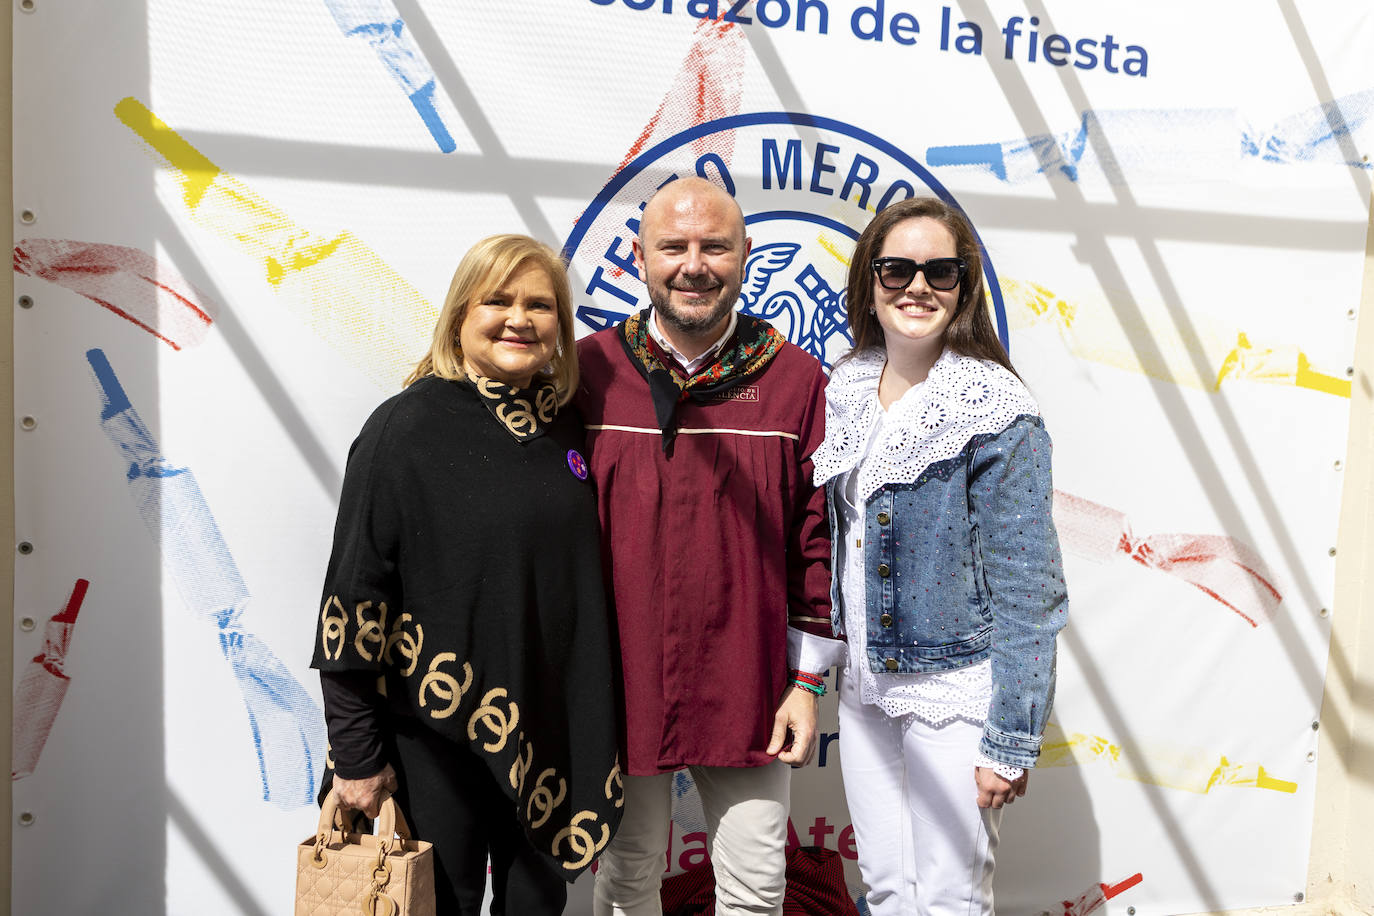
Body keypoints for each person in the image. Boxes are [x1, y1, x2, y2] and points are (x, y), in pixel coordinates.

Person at [311, 234, 623, 915]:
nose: (520, 318)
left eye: (540, 305)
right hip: (429, 739)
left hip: (549, 739)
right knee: (435, 905)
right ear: (460, 316)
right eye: (498, 300)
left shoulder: (571, 430)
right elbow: (353, 599)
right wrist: (356, 755)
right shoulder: (404, 428)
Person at [576, 177, 843, 916]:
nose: (694, 265)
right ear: (639, 258)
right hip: (621, 676)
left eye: (714, 247)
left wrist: (807, 680)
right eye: (674, 246)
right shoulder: (588, 373)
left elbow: (815, 539)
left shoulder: (795, 381)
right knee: (626, 874)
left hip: (748, 679)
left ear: (746, 255)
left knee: (756, 883)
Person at [810, 197, 1069, 916]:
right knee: (888, 890)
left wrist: (1012, 737)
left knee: (951, 898)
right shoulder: (848, 386)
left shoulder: (995, 408)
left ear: (964, 287)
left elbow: (1031, 589)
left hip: (956, 695)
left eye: (939, 271)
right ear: (869, 280)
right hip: (866, 690)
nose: (917, 287)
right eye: (896, 269)